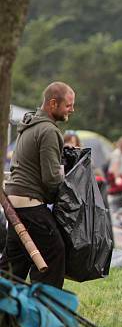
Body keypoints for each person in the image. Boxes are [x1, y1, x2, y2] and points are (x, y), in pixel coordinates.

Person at [1, 81, 76, 288]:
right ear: (53, 103)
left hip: (13, 203)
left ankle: (5, 315)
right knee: (54, 252)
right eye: (68, 105)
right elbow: (51, 178)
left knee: (12, 267)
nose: (72, 110)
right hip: (29, 203)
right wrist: (67, 200)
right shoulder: (49, 131)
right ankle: (45, 311)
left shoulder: (29, 124)